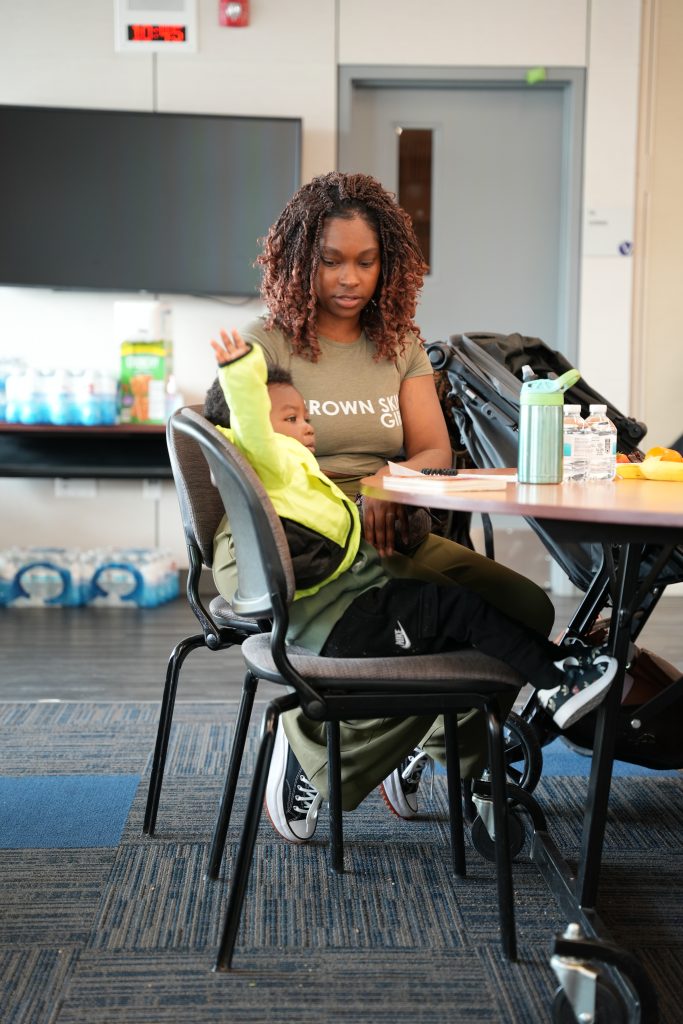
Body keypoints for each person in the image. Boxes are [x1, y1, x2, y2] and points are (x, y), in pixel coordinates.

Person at [206, 328, 618, 844]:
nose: (309, 428)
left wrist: (389, 492)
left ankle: (454, 742)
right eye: (292, 420)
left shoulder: (393, 354)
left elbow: (430, 450)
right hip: (329, 597)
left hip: (355, 562)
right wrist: (240, 368)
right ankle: (317, 751)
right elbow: (247, 418)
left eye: (306, 416)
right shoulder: (268, 452)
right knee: (456, 615)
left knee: (507, 608)